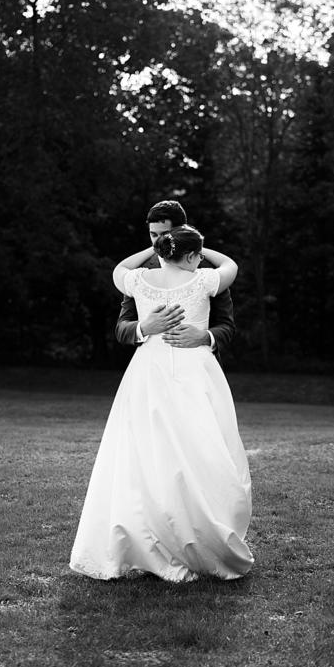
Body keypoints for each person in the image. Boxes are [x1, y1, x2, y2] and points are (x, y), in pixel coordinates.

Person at [69, 223, 254, 582]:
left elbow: (118, 270)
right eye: (197, 255)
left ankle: (163, 536)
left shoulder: (138, 281)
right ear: (189, 255)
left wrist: (158, 249)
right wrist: (197, 247)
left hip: (149, 374)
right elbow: (230, 264)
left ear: (165, 248)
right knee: (197, 455)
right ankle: (185, 536)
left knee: (147, 457)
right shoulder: (203, 280)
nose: (201, 260)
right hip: (191, 374)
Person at [115, 200, 236, 360]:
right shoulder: (139, 272)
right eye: (153, 235)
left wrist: (205, 337)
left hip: (199, 367)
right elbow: (121, 328)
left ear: (181, 231)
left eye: (164, 235)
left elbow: (226, 326)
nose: (158, 242)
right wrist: (143, 328)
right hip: (152, 368)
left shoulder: (208, 269)